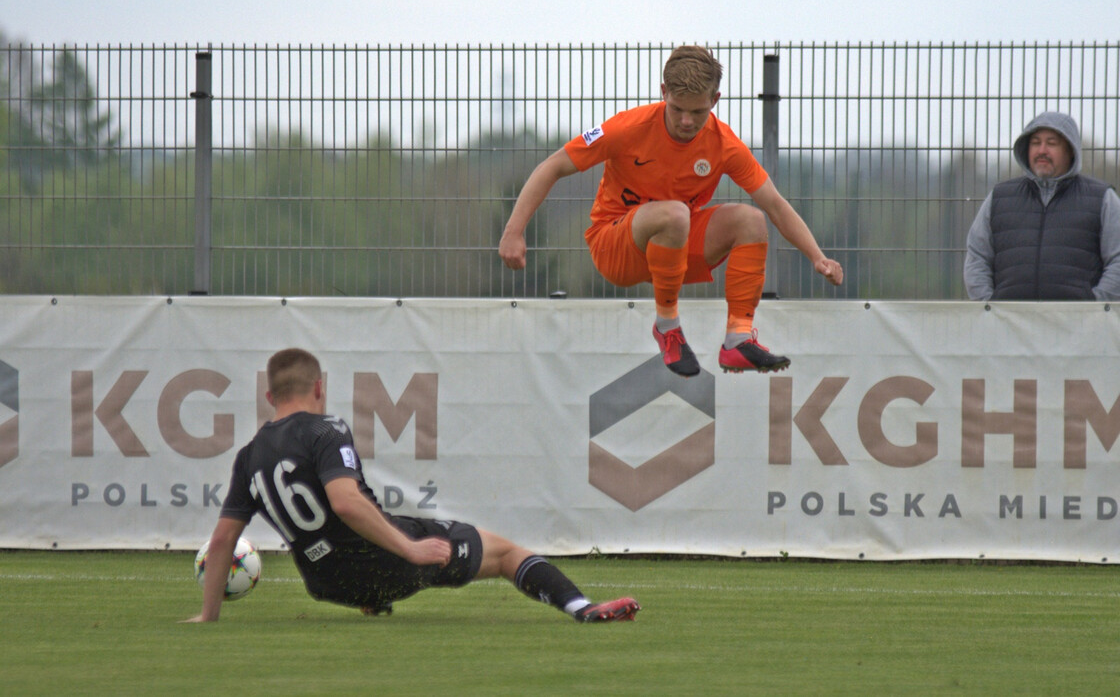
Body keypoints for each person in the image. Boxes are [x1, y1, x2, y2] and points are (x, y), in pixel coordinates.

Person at [182, 348, 639, 624]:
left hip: (325, 584)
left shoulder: (249, 456)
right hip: (382, 563)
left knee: (366, 561)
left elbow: (223, 540)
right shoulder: (325, 430)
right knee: (504, 553)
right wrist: (410, 549)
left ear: (269, 396)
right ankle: (580, 606)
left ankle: (372, 600)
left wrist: (209, 615)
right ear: (319, 387)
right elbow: (345, 503)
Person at [499, 45, 843, 377]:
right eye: (677, 108)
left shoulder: (725, 145)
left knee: (750, 220)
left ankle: (737, 339)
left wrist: (817, 257)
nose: (686, 121)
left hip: (675, 247)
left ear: (715, 100)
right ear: (663, 91)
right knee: (676, 214)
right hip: (616, 246)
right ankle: (668, 327)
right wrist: (514, 231)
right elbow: (553, 166)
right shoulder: (625, 128)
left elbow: (776, 206)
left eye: (697, 112)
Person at [964, 111, 1120, 301]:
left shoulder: (1103, 198)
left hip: (1078, 328)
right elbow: (977, 256)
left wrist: (1094, 308)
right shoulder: (998, 197)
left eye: (1052, 143)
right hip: (1008, 326)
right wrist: (988, 306)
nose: (1042, 151)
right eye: (1035, 143)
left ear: (1070, 150)